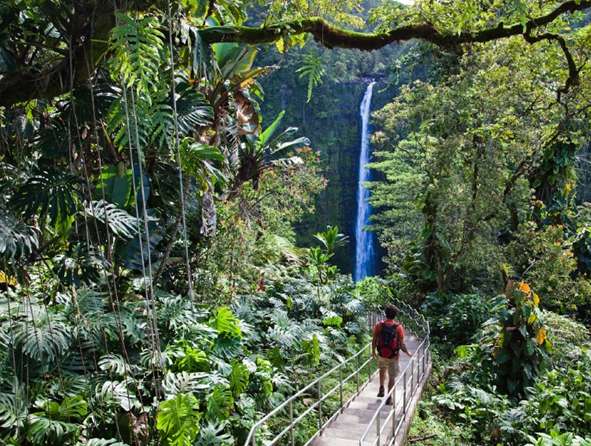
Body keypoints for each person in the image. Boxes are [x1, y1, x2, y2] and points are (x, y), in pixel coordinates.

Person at [372, 304, 411, 404]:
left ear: (385, 314)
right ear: (395, 315)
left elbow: (374, 339)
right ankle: (389, 398)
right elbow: (401, 344)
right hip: (393, 356)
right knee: (392, 377)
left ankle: (381, 387)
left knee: (382, 370)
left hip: (381, 353)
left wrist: (373, 351)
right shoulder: (398, 328)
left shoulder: (379, 325)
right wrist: (407, 352)